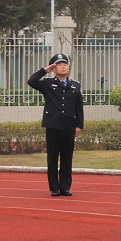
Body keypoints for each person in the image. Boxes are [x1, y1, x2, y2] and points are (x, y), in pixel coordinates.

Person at [27, 53, 84, 197]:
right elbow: (31, 81)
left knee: (67, 158)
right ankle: (54, 188)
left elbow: (79, 107)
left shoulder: (75, 85)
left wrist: (79, 125)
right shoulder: (47, 84)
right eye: (59, 65)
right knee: (52, 158)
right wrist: (44, 70)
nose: (63, 67)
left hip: (69, 126)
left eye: (65, 64)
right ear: (54, 68)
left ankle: (65, 187)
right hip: (53, 126)